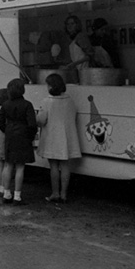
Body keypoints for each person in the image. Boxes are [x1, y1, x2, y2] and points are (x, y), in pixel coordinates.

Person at [36, 73, 81, 204]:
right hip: (67, 138)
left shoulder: (46, 102)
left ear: (51, 86)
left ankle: (55, 193)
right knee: (65, 165)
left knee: (54, 166)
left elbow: (41, 120)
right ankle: (64, 194)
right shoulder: (70, 101)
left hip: (52, 138)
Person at [0, 78, 37, 205]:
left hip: (10, 136)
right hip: (23, 136)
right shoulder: (27, 105)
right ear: (22, 90)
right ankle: (17, 196)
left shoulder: (5, 104)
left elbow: (0, 121)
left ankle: (6, 194)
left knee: (8, 165)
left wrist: (7, 130)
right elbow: (32, 124)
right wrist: (30, 136)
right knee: (20, 167)